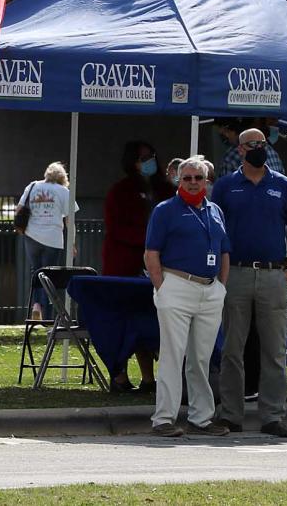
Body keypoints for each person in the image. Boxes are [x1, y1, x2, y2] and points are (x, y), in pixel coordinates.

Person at [210, 127, 287, 437]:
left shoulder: (284, 185)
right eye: (251, 144)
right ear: (239, 150)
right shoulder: (225, 187)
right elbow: (214, 231)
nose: (257, 148)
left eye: (262, 143)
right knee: (232, 348)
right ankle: (230, 414)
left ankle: (272, 416)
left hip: (272, 274)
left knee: (274, 350)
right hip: (235, 273)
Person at [144, 155, 231, 437]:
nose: (193, 183)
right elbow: (151, 253)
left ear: (207, 181)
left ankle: (201, 418)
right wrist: (162, 287)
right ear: (178, 180)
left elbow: (224, 251)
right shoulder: (165, 210)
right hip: (177, 285)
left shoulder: (215, 210)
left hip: (210, 289)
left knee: (201, 358)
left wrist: (221, 286)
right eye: (187, 178)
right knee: (172, 354)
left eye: (198, 178)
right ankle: (164, 419)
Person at [103, 140, 169, 392]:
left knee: (149, 322)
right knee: (123, 322)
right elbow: (116, 227)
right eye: (142, 158)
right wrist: (150, 242)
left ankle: (149, 378)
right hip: (125, 266)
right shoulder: (119, 191)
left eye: (150, 156)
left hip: (159, 268)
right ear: (131, 162)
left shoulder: (165, 190)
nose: (147, 161)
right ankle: (118, 375)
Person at [19, 161, 76, 320]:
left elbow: (19, 209)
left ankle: (37, 305)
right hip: (53, 237)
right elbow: (69, 220)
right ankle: (48, 314)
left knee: (36, 271)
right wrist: (72, 242)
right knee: (49, 274)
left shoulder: (32, 186)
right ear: (62, 177)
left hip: (32, 236)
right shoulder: (63, 191)